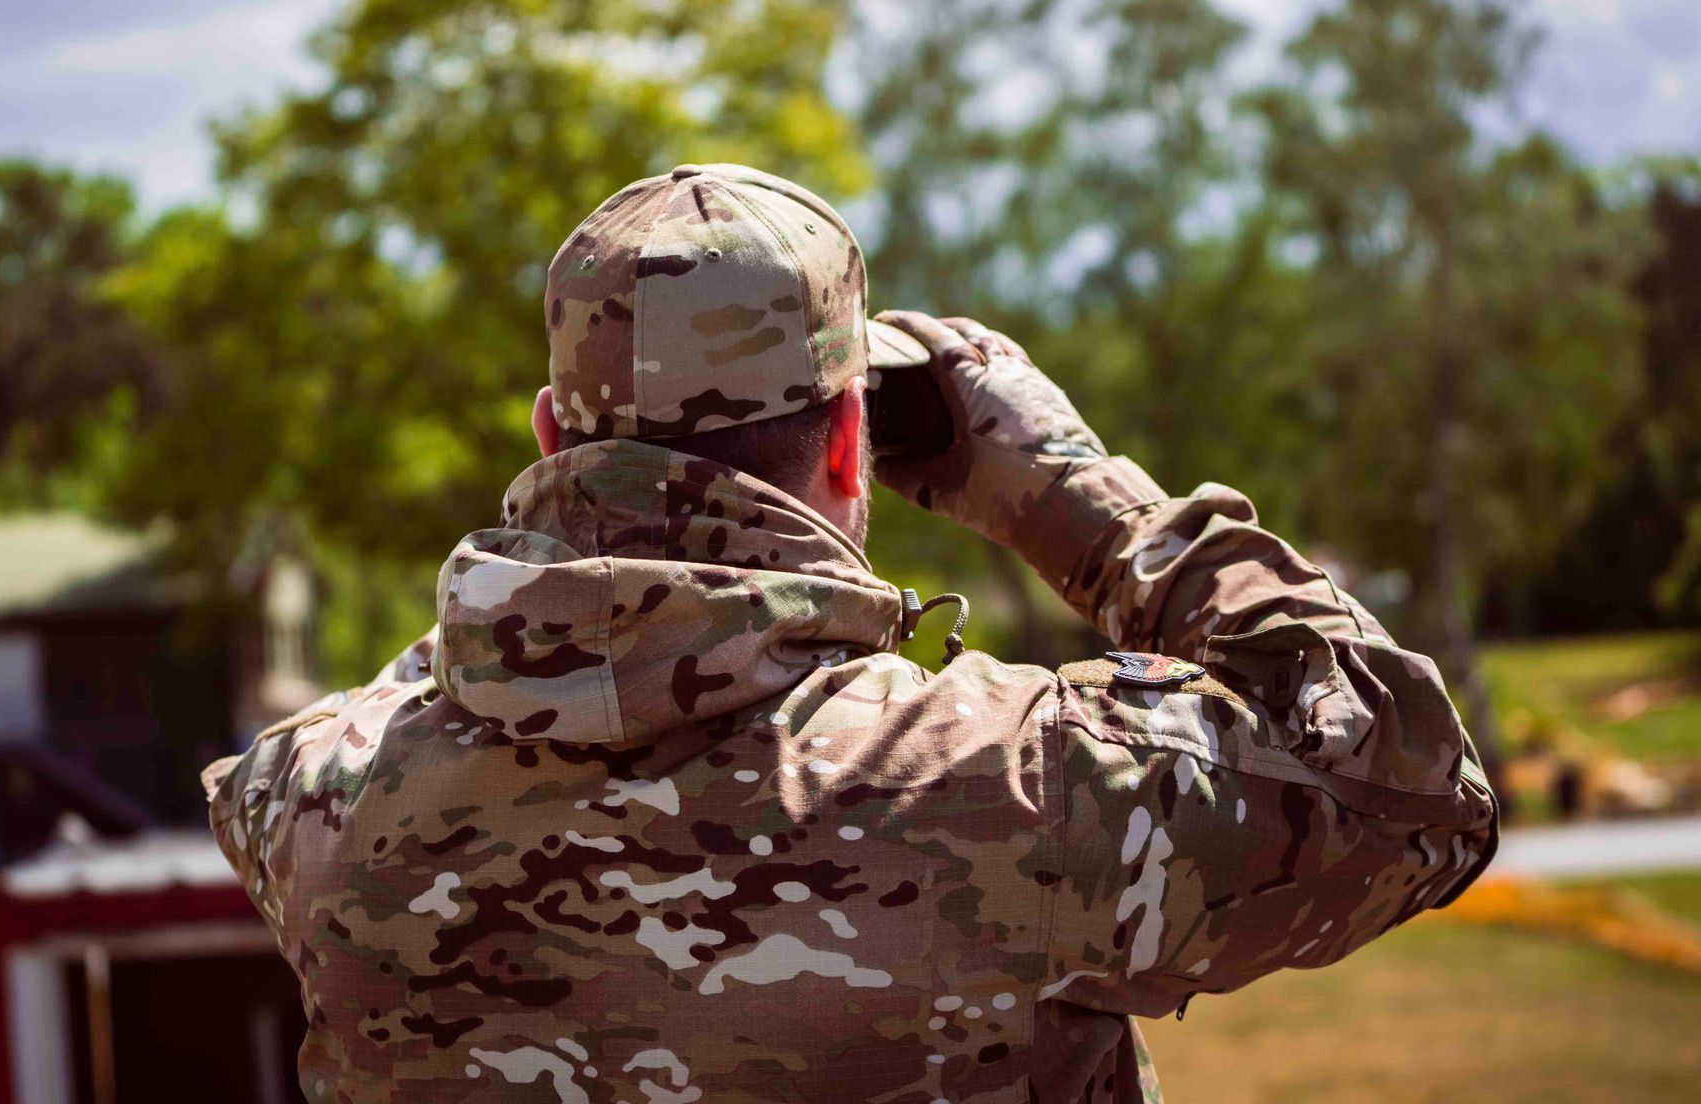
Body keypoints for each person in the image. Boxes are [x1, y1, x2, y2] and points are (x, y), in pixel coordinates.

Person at [205, 163, 1497, 1103]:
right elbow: (1412, 791)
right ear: (846, 441)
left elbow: (468, 680)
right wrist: (1075, 499)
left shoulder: (310, 796)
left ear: (550, 434)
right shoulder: (1020, 785)